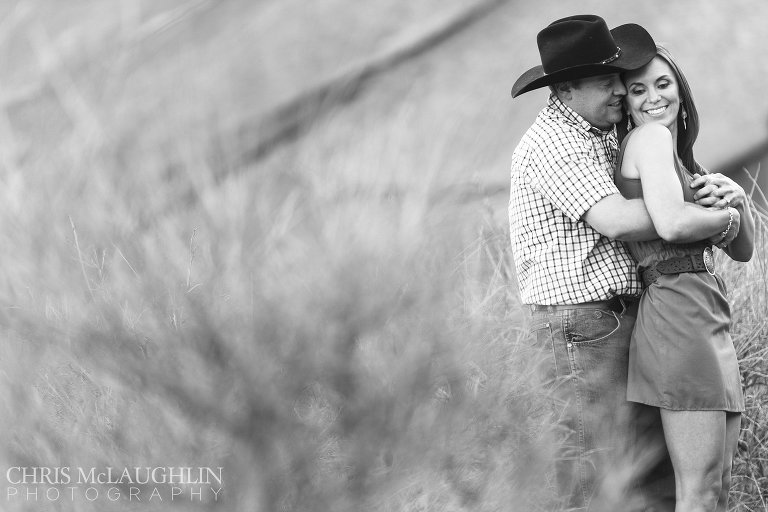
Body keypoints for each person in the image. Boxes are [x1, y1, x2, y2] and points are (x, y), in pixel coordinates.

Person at [508, 15, 739, 511]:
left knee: (640, 473)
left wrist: (700, 204)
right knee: (593, 473)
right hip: (579, 323)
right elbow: (618, 219)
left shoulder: (602, 131)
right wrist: (712, 215)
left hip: (630, 316)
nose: (620, 90)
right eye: (606, 81)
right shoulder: (553, 143)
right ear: (567, 88)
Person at [615, 44, 754, 512]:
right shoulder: (648, 141)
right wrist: (726, 219)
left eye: (662, 83)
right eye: (637, 90)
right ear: (627, 103)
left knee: (718, 483)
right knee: (698, 491)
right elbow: (675, 225)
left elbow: (744, 250)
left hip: (706, 312)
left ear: (680, 90)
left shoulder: (684, 165)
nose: (653, 98)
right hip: (676, 310)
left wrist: (736, 199)